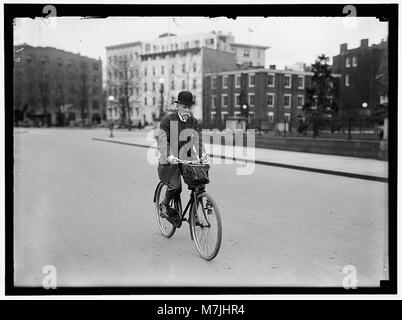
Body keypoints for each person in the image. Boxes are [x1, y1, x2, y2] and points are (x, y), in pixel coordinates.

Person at [156, 91, 208, 219]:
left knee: (199, 183)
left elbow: (197, 140)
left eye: (189, 107)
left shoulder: (193, 121)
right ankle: (164, 205)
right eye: (184, 107)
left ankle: (194, 213)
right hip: (170, 161)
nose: (187, 110)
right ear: (177, 106)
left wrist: (202, 155)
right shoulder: (167, 120)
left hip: (186, 159)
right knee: (175, 187)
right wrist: (169, 156)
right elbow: (161, 140)